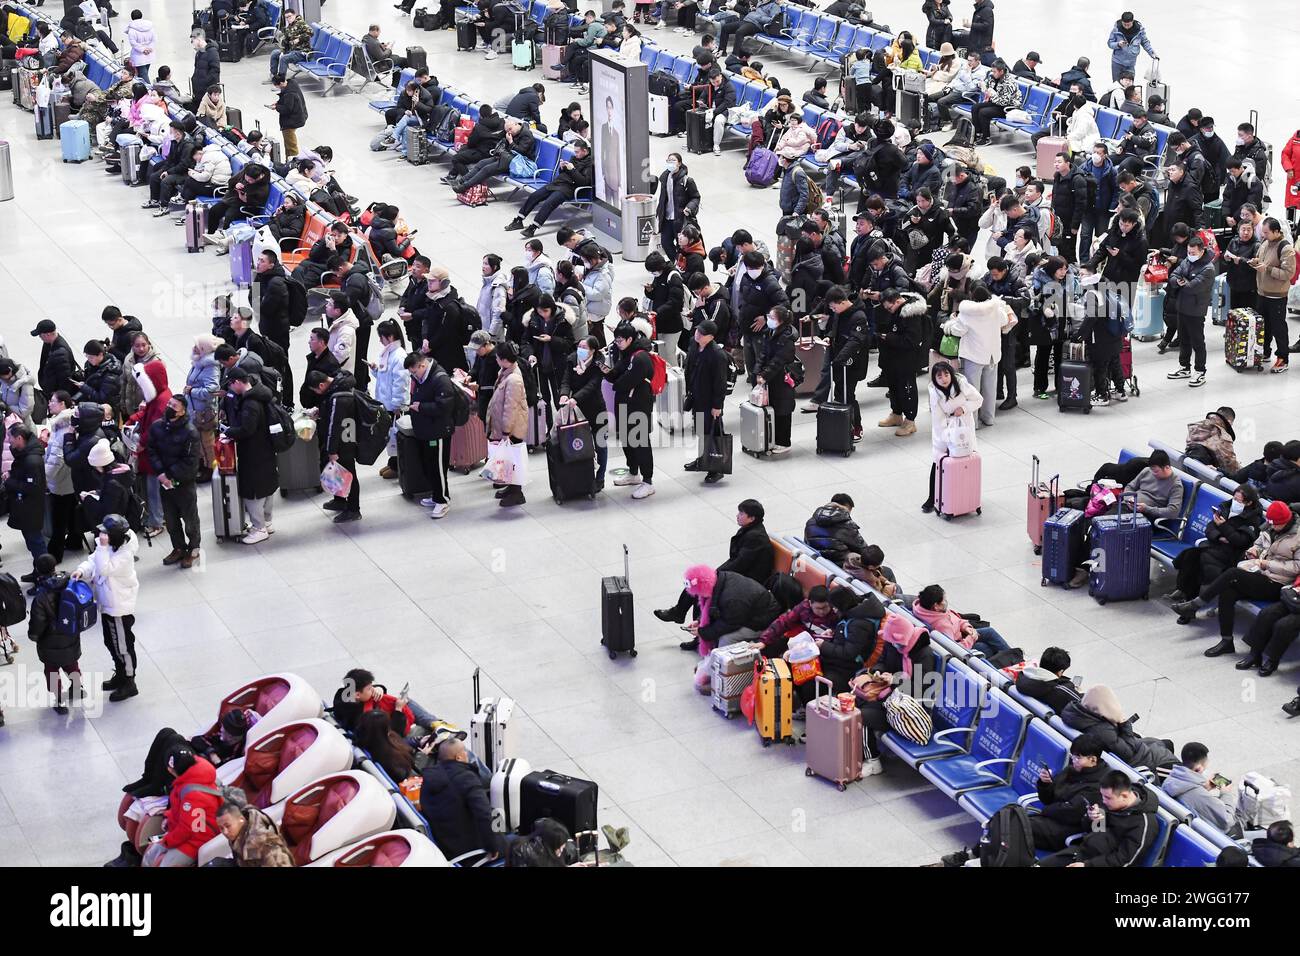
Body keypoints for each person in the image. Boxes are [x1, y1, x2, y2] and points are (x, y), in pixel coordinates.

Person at [943, 733, 1108, 866]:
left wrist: (1050, 808)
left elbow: (1069, 813)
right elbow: (1049, 800)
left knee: (1008, 824)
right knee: (1005, 820)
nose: (1073, 760)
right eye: (1073, 756)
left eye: (1078, 757)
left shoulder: (1097, 786)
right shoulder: (1072, 770)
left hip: (1063, 831)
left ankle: (978, 857)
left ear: (1093, 760)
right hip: (1047, 821)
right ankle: (976, 856)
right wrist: (1045, 784)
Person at [1175, 501, 1300, 658]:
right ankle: (1226, 641)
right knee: (1228, 591)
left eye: (1276, 525)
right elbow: (1259, 543)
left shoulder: (1298, 537)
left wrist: (1267, 563)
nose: (1272, 528)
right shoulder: (1270, 525)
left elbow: (1297, 567)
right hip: (1259, 573)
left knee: (1233, 573)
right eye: (1271, 524)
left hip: (1278, 582)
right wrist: (1254, 550)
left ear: (1285, 521)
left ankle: (1196, 604)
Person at [73, 513, 140, 702]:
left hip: (118, 607)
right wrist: (81, 570)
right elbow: (93, 561)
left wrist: (102, 547)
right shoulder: (107, 547)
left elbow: (104, 568)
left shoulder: (125, 554)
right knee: (111, 643)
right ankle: (120, 674)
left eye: (106, 533)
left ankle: (129, 681)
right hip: (108, 604)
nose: (102, 535)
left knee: (123, 646)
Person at [419, 735, 504, 863]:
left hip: (446, 842)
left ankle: (503, 833)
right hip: (468, 851)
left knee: (497, 815)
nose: (466, 754)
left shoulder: (430, 776)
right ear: (458, 757)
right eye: (464, 751)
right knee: (513, 841)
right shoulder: (466, 778)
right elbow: (484, 814)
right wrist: (494, 846)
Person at [942, 282, 1012, 428]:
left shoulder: (967, 313)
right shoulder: (996, 308)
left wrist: (951, 322)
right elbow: (1005, 320)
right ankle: (989, 418)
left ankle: (973, 422)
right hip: (992, 354)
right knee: (990, 388)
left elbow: (957, 331)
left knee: (972, 390)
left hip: (973, 355)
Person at [221, 369, 279, 543]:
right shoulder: (262, 395)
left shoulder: (250, 403)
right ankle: (267, 522)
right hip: (267, 449)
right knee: (268, 486)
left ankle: (259, 527)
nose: (230, 389)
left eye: (231, 384)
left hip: (253, 452)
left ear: (238, 382)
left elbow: (247, 429)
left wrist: (229, 431)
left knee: (252, 491)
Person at [1060, 686, 1176, 773]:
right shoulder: (1102, 731)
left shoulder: (1077, 713)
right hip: (1138, 760)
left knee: (1165, 743)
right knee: (1171, 760)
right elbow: (1128, 753)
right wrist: (1125, 724)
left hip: (1133, 749)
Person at [147, 395, 201, 568]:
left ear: (183, 410)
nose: (169, 407)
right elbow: (152, 450)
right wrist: (161, 474)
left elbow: (191, 462)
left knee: (190, 520)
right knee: (171, 519)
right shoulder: (157, 427)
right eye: (169, 403)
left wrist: (170, 475)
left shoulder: (190, 432)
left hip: (183, 483)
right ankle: (178, 548)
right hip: (165, 481)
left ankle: (193, 549)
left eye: (174, 405)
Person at [25, 554, 83, 714]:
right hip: (70, 634)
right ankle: (77, 688)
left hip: (50, 641)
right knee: (72, 663)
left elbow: (38, 622)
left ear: (37, 570)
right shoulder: (68, 582)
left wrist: (33, 636)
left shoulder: (41, 597)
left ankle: (59, 700)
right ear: (55, 566)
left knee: (51, 671)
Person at [922, 360, 982, 513]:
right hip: (945, 431)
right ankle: (932, 498)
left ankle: (966, 496)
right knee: (938, 462)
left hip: (963, 427)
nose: (944, 379)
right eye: (939, 376)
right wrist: (947, 437)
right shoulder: (934, 392)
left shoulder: (961, 383)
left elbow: (978, 399)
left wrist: (963, 408)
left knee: (966, 460)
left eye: (946, 374)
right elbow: (938, 419)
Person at [405, 352, 457, 519]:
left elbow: (445, 407)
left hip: (439, 431)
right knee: (430, 465)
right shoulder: (421, 378)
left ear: (422, 365)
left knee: (438, 467)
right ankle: (436, 495)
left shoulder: (440, 379)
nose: (413, 375)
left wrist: (421, 407)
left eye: (414, 371)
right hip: (426, 430)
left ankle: (443, 500)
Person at [307, 366, 361, 523]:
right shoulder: (337, 385)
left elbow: (334, 425)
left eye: (315, 390)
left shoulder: (339, 397)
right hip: (343, 436)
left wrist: (332, 450)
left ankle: (353, 509)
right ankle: (340, 500)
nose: (317, 393)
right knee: (338, 472)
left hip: (345, 440)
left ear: (322, 385)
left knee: (348, 473)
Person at [682, 318, 729, 485]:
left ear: (711, 337)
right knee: (701, 431)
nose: (697, 334)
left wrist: (717, 406)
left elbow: (720, 382)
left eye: (701, 333)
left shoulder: (717, 355)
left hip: (709, 401)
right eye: (697, 331)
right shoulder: (694, 345)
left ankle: (716, 469)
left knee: (713, 433)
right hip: (697, 396)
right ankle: (703, 459)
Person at [485, 340, 529, 507]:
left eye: (497, 357)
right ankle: (511, 488)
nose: (495, 359)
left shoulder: (513, 380)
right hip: (506, 427)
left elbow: (510, 408)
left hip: (512, 428)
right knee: (509, 460)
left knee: (513, 460)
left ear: (504, 359)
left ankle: (517, 493)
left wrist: (506, 431)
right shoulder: (505, 371)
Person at [1162, 742, 1238, 836]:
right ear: (1198, 769)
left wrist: (1204, 788)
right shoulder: (1201, 796)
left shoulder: (1169, 781)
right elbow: (1228, 821)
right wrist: (1226, 794)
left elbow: (1190, 796)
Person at [1250, 217, 1296, 373]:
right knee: (1264, 326)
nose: (1263, 235)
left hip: (1276, 296)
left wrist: (1267, 270)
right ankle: (1265, 352)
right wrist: (1255, 261)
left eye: (1267, 232)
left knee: (1278, 328)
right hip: (1262, 292)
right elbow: (1262, 259)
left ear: (1277, 231)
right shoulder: (1265, 243)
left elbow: (1288, 273)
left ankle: (1283, 358)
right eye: (1262, 232)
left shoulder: (1286, 248)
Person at [4, 424, 48, 580]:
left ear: (19, 438)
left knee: (36, 543)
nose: (7, 440)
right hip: (26, 507)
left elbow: (32, 488)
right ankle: (39, 571)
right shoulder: (24, 454)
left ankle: (46, 576)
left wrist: (10, 481)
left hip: (31, 508)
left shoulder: (32, 460)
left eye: (10, 437)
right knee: (32, 542)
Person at [754, 305, 797, 455]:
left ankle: (784, 442)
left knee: (783, 409)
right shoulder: (770, 332)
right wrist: (758, 371)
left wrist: (764, 375)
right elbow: (763, 354)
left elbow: (778, 361)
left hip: (782, 378)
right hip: (771, 377)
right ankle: (774, 439)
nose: (769, 320)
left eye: (772, 318)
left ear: (781, 321)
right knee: (773, 407)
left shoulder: (787, 339)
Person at [215, 799, 295, 868]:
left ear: (241, 819)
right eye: (221, 828)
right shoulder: (236, 834)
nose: (225, 832)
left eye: (228, 826)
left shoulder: (264, 843)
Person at [653, 153, 700, 259]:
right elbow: (663, 198)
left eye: (673, 160)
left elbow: (696, 197)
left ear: (679, 163)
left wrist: (689, 207)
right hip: (667, 218)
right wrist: (659, 213)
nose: (670, 163)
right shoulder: (664, 178)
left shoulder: (687, 181)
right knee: (665, 242)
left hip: (681, 219)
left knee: (682, 245)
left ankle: (683, 265)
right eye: (669, 160)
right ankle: (676, 262)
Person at [803, 493, 869, 567]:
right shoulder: (847, 525)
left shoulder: (811, 521)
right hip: (839, 567)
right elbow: (864, 551)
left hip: (815, 563)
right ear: (846, 507)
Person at [1015, 646, 1084, 713]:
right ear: (1060, 672)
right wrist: (1077, 691)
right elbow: (1083, 705)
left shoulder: (1023, 676)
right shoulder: (1061, 692)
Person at [32, 319, 82, 400]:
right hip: (50, 390)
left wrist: (58, 398)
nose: (40, 337)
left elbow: (65, 379)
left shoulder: (60, 353)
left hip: (55, 394)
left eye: (40, 335)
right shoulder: (49, 343)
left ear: (47, 334)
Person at [270, 72, 308, 160]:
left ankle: (294, 162)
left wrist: (276, 107)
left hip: (291, 122)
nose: (276, 87)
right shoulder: (292, 83)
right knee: (288, 144)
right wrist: (278, 103)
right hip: (299, 115)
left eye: (277, 85)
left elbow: (287, 109)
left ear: (281, 83)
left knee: (291, 145)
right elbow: (286, 101)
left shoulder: (289, 94)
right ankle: (288, 160)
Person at [268, 7, 312, 79]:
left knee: (284, 58)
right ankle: (274, 76)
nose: (288, 19)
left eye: (290, 16)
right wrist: (283, 51)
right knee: (275, 53)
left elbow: (310, 33)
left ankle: (281, 80)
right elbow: (285, 42)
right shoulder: (289, 28)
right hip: (292, 51)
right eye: (286, 17)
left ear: (294, 15)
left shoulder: (301, 23)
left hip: (301, 52)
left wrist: (299, 39)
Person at [187, 29, 220, 113]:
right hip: (197, 92)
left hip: (206, 93)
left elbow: (215, 72)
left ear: (198, 39)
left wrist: (205, 84)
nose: (192, 44)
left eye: (192, 41)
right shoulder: (198, 53)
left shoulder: (212, 52)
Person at [123, 9, 156, 84]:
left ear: (132, 18)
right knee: (145, 74)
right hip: (149, 54)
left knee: (143, 75)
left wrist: (142, 50)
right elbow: (154, 39)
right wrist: (149, 48)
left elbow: (133, 43)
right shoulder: (150, 27)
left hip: (138, 56)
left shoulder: (131, 30)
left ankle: (149, 91)